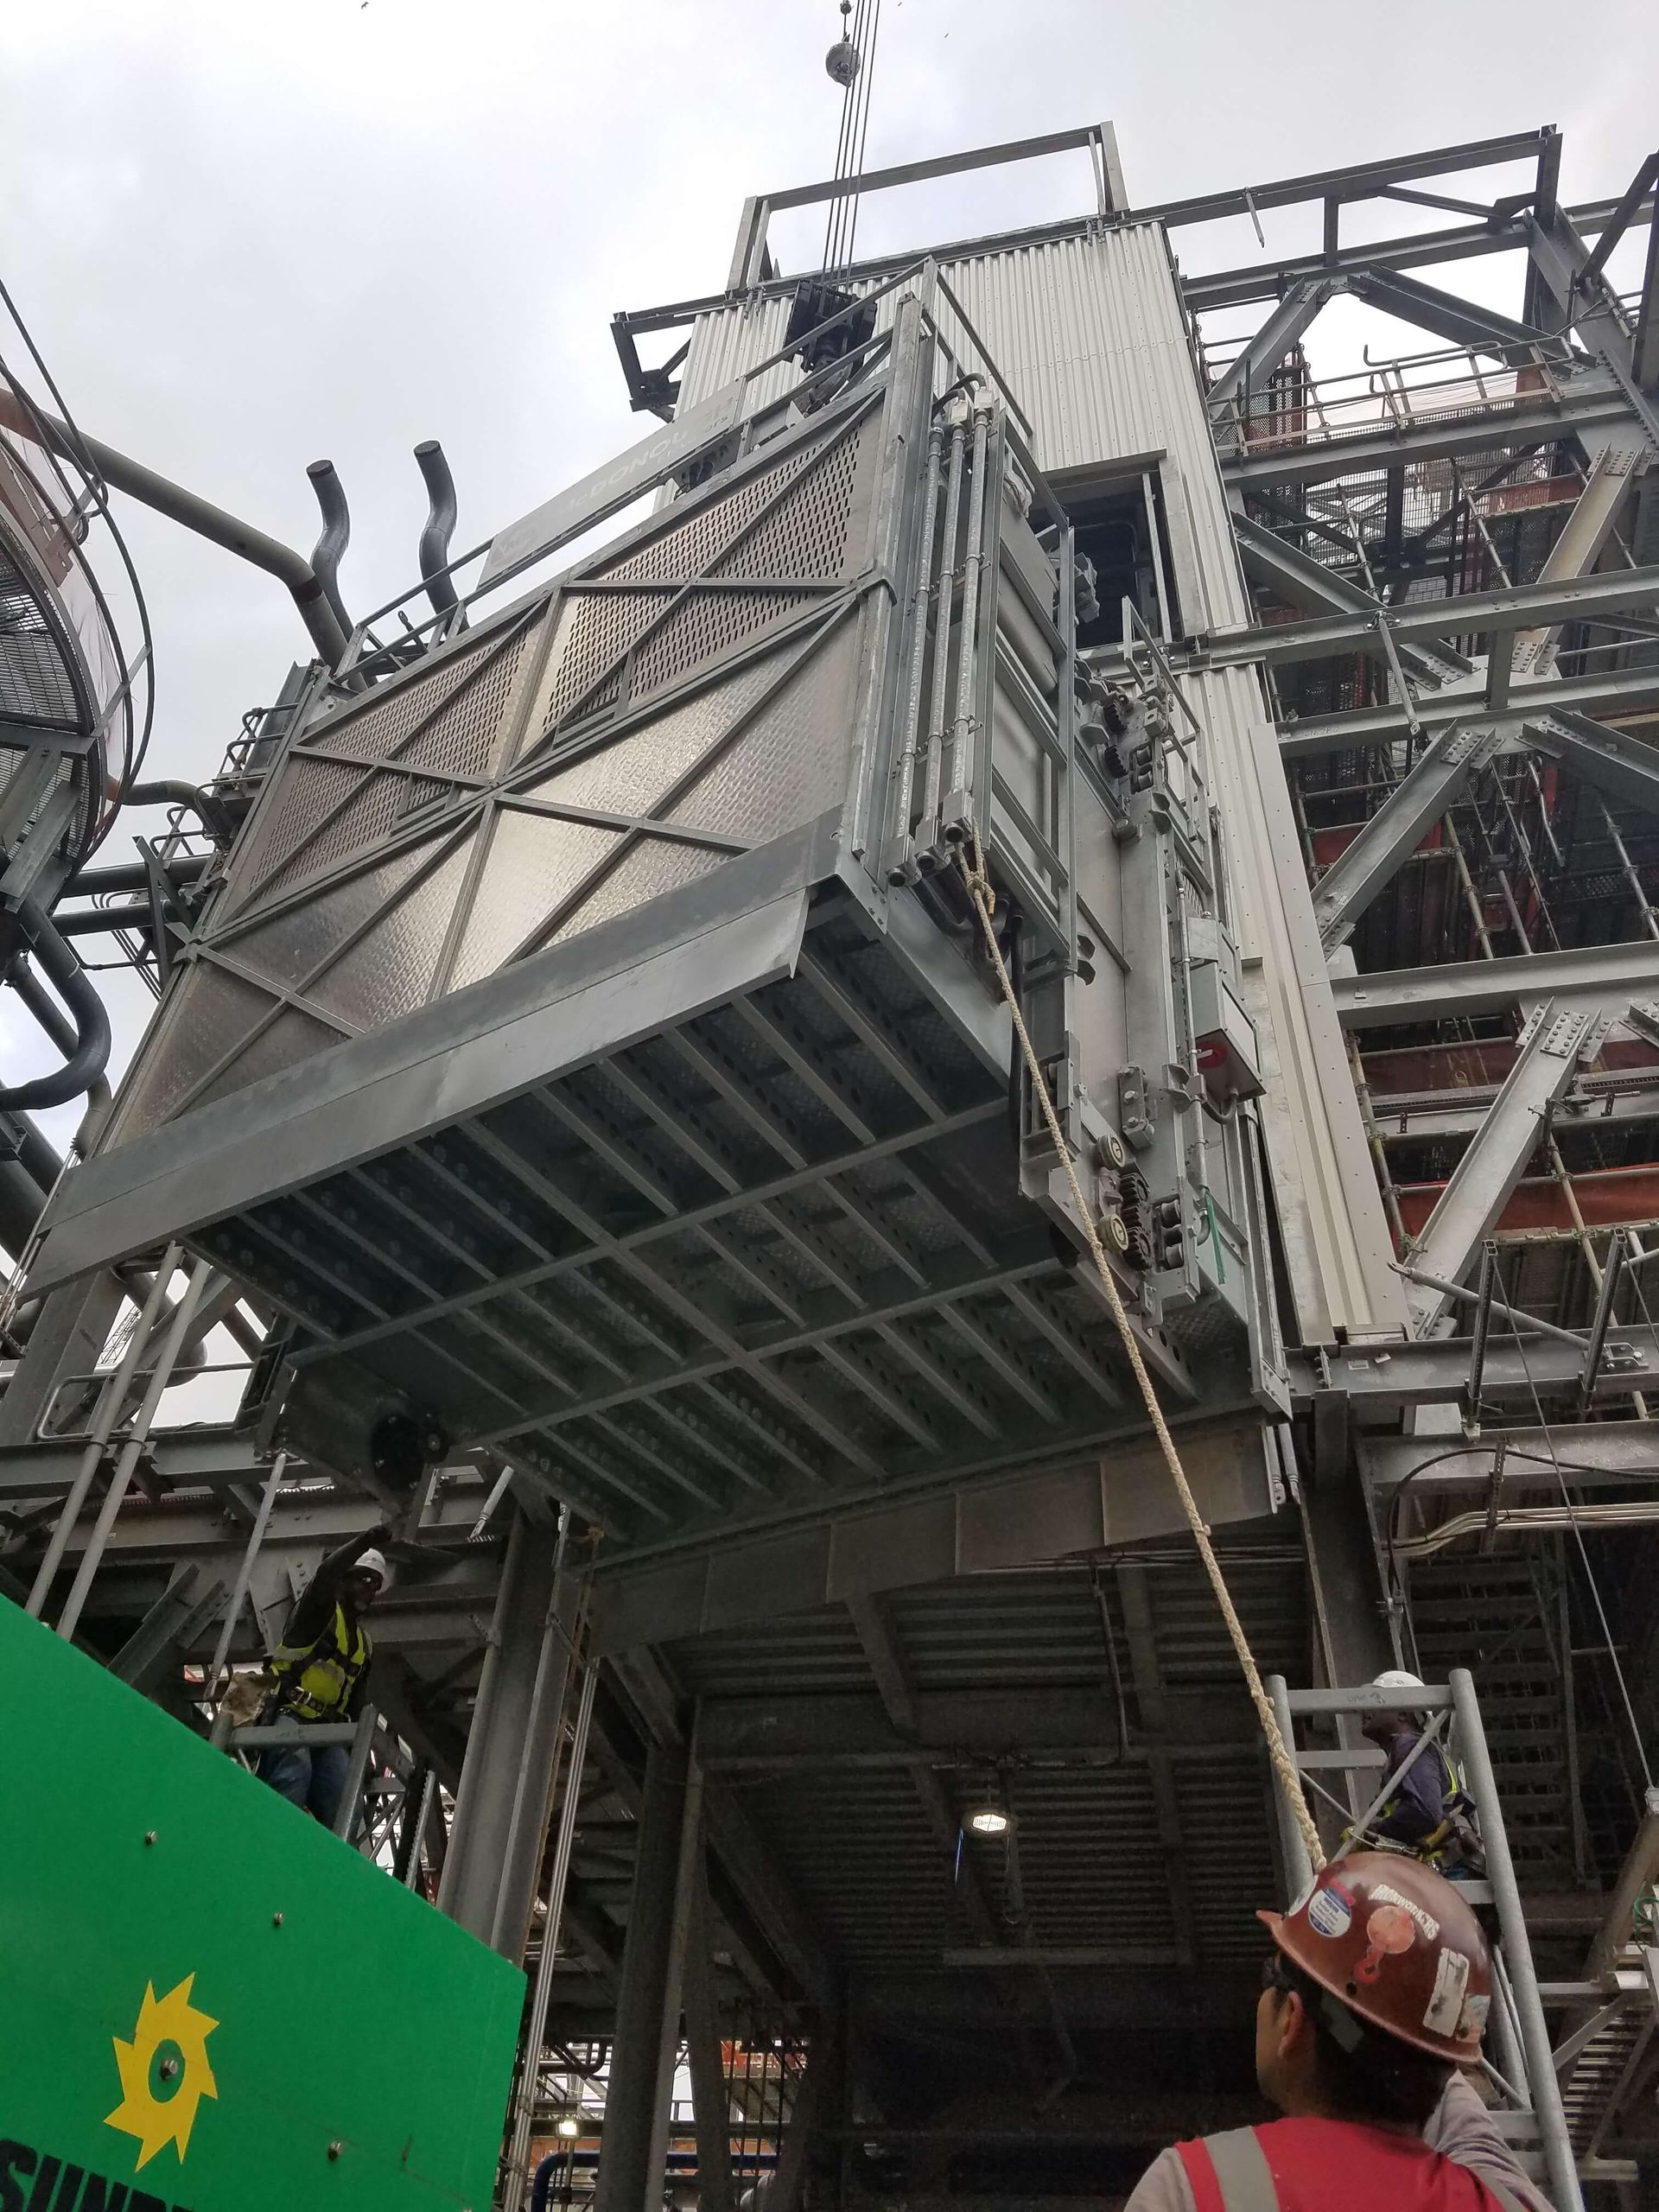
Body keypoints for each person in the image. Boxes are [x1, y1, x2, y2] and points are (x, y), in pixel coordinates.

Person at [1125, 1853, 1551, 2210]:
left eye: (1270, 1975)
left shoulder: (1192, 2191)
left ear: (1292, 2021)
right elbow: (1461, 2112)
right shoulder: (1504, 2201)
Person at [257, 1524, 391, 1828]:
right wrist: (363, 1542)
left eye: (375, 1585)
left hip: (327, 1731)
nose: (369, 1590)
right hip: (288, 1714)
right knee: (294, 1772)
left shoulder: (364, 1645)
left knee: (347, 1801)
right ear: (344, 1581)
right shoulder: (318, 1613)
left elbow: (356, 1704)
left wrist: (362, 1754)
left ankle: (327, 1857)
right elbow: (324, 1575)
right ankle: (274, 1842)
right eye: (364, 1580)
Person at [1356, 1670, 1484, 1882]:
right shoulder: (1411, 1751)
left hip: (1449, 1870)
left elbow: (1424, 1811)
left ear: (1403, 1714)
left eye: (1377, 1701)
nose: (1366, 1710)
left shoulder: (1410, 1745)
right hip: (1448, 1868)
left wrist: (1372, 1833)